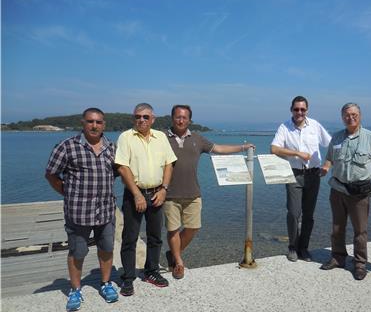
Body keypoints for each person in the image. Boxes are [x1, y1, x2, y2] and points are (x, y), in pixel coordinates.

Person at [164, 104, 255, 279]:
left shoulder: (198, 139)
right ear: (172, 118)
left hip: (193, 192)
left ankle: (173, 254)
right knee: (173, 229)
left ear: (190, 120)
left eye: (184, 117)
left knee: (193, 227)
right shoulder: (162, 138)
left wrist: (243, 148)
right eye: (178, 117)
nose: (181, 120)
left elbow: (219, 149)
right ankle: (178, 262)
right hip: (169, 193)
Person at [45, 108, 119, 311]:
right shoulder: (67, 146)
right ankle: (75, 289)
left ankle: (105, 284)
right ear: (83, 123)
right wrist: (68, 193)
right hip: (78, 212)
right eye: (90, 121)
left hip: (105, 210)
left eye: (98, 122)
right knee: (77, 252)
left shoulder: (111, 148)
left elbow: (116, 174)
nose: (94, 125)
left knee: (106, 249)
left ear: (104, 124)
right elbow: (51, 174)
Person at [115, 103, 177, 296]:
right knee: (129, 238)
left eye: (145, 117)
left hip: (157, 193)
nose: (141, 120)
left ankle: (151, 272)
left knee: (155, 237)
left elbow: (169, 164)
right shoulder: (126, 137)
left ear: (153, 119)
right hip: (134, 194)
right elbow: (122, 167)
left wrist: (164, 189)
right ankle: (128, 278)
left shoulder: (161, 137)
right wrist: (137, 194)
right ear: (133, 118)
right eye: (138, 117)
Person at [320, 102, 371, 281]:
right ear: (342, 117)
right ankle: (338, 257)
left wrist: (367, 178)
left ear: (360, 115)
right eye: (347, 115)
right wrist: (325, 168)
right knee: (337, 227)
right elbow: (329, 159)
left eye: (354, 114)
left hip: (359, 193)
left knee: (360, 230)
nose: (350, 118)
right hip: (338, 189)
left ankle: (359, 264)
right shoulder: (336, 138)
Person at [270, 96, 331, 262]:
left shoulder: (315, 125)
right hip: (294, 174)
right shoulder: (285, 127)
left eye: (302, 109)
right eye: (296, 109)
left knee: (309, 214)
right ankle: (292, 247)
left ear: (307, 110)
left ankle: (304, 248)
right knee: (293, 212)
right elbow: (274, 148)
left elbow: (331, 146)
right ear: (291, 110)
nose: (299, 112)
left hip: (314, 174)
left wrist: (327, 165)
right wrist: (296, 153)